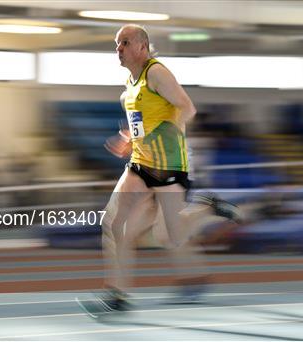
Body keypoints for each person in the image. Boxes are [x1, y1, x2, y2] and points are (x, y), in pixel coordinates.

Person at [95, 24, 242, 313]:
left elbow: (187, 108)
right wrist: (128, 139)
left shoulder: (157, 73)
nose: (118, 49)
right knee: (115, 224)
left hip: (169, 167)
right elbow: (140, 121)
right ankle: (117, 295)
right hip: (139, 165)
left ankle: (207, 207)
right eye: (116, 44)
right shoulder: (131, 83)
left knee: (169, 237)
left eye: (124, 43)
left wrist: (162, 134)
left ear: (141, 46)